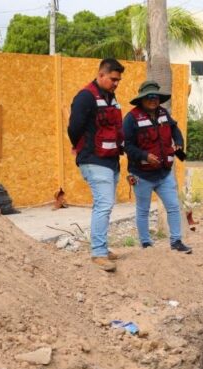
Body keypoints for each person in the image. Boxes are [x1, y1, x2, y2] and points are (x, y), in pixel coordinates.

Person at [68, 58, 126, 272]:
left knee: (106, 204)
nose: (116, 83)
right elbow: (74, 128)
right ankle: (99, 253)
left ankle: (102, 247)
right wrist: (81, 147)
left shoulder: (110, 97)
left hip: (111, 160)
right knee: (104, 204)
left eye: (118, 80)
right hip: (93, 159)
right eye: (113, 79)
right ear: (101, 75)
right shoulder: (86, 97)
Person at [123, 81, 192, 254]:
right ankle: (146, 244)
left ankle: (176, 241)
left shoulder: (164, 113)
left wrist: (178, 143)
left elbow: (175, 130)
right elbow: (126, 145)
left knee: (173, 206)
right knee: (143, 210)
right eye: (149, 97)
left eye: (156, 97)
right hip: (141, 174)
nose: (153, 100)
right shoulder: (131, 118)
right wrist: (145, 156)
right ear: (141, 99)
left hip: (164, 172)